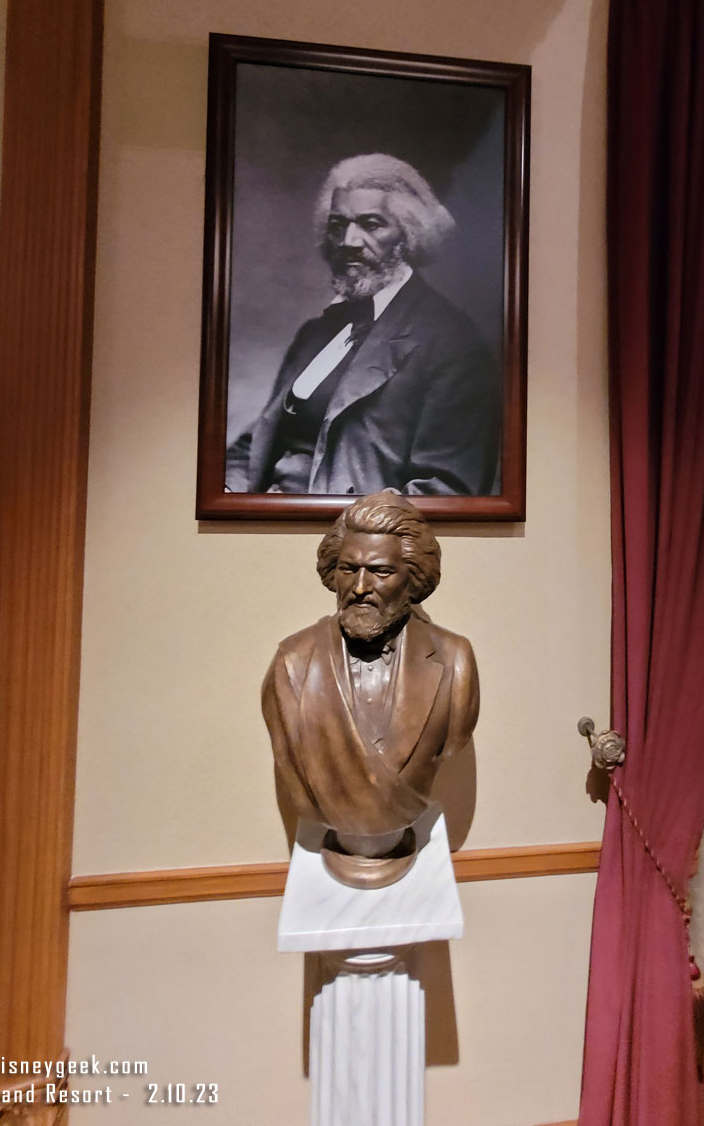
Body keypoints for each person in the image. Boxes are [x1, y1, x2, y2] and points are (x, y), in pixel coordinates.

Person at [225, 153, 499, 496]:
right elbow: (256, 445)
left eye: (371, 224)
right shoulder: (315, 334)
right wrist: (226, 494)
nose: (349, 242)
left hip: (352, 536)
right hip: (263, 522)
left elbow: (445, 490)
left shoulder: (453, 344)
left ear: (409, 234)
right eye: (338, 226)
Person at [261, 491, 479, 887]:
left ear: (412, 579)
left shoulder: (455, 660)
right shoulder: (291, 664)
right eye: (348, 569)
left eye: (380, 571)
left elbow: (454, 741)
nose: (360, 587)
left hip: (404, 836)